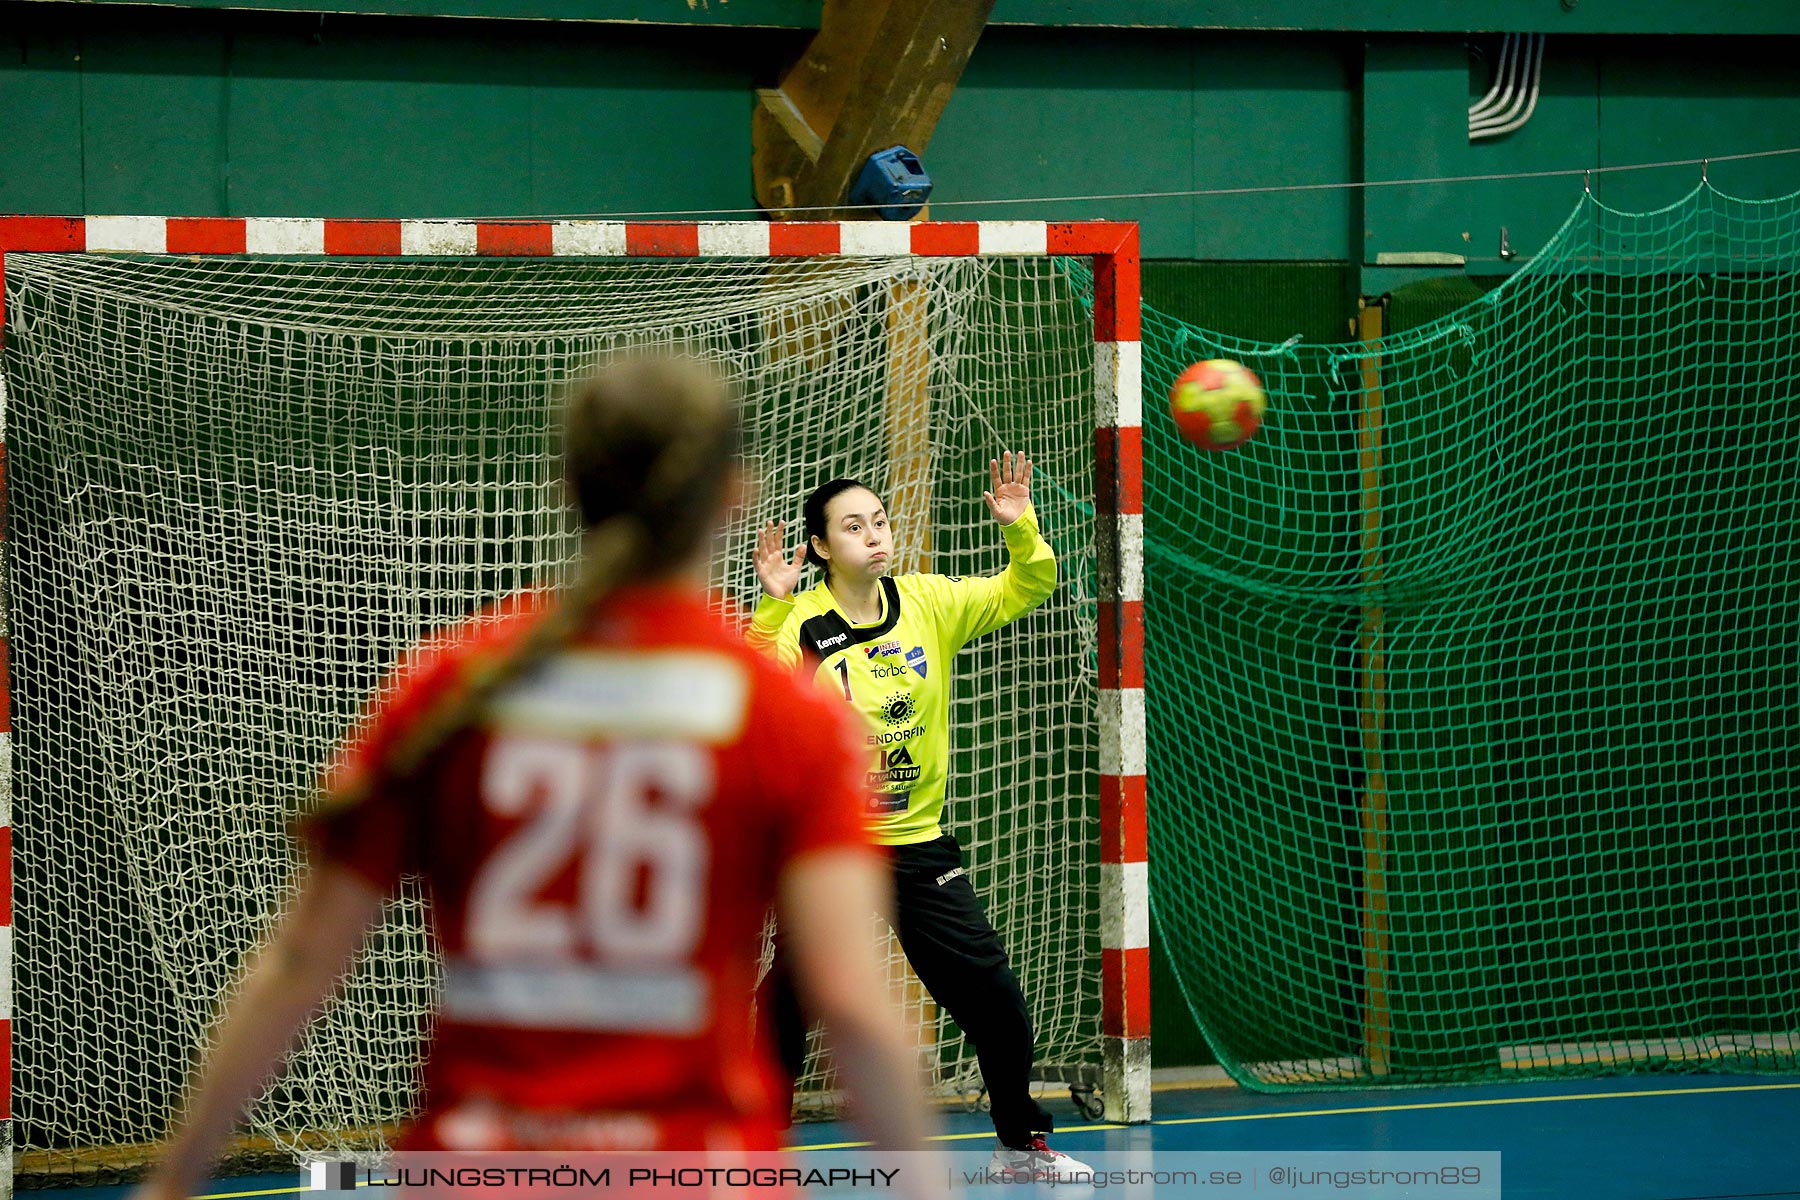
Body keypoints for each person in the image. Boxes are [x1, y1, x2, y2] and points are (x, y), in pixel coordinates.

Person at [130, 355, 940, 1200]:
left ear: (569, 485)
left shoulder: (459, 685)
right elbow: (849, 1005)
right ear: (735, 496)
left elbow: (302, 963)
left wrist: (172, 1180)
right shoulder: (785, 715)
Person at [747, 453, 1092, 1182]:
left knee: (995, 1001)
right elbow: (750, 688)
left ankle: (1019, 1148)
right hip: (831, 849)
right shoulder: (804, 624)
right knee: (788, 1005)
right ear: (818, 549)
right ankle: (754, 1151)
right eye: (852, 526)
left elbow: (1028, 585)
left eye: (878, 521)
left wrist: (1019, 526)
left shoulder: (930, 601)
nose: (873, 535)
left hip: (919, 848)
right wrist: (773, 605)